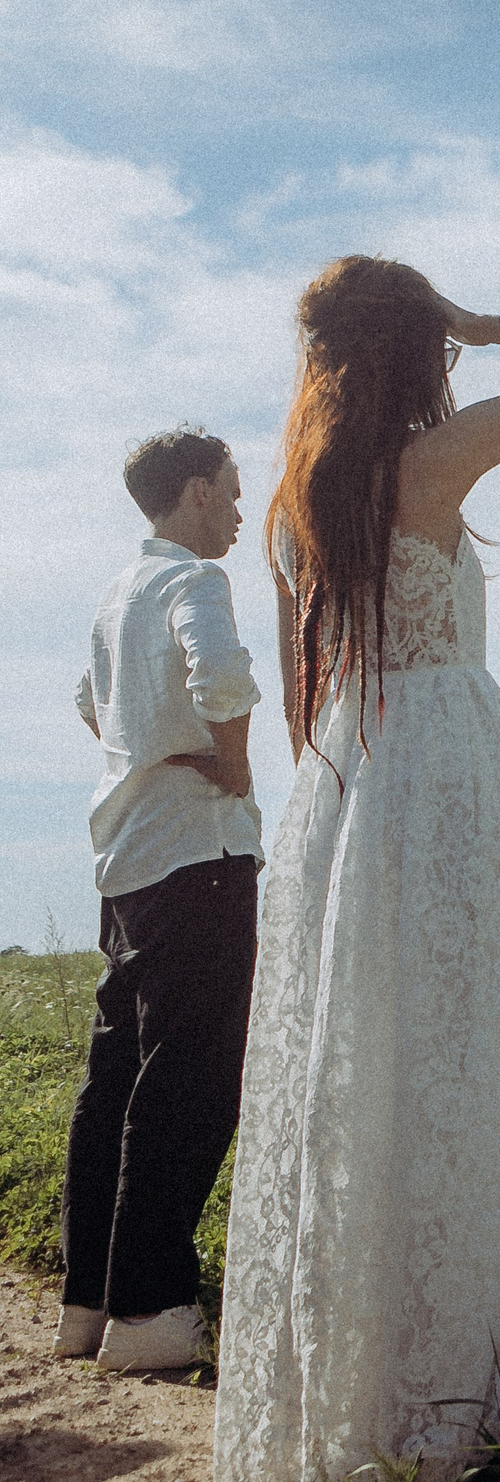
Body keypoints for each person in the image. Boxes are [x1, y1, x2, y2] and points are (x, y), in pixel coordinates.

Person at [211, 257, 500, 1482]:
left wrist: (344, 814)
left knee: (358, 1080)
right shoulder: (431, 465)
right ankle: (444, 1389)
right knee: (457, 1066)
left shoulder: (292, 507)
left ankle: (352, 1382)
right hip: (446, 771)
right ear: (417, 347)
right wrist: (484, 321)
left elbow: (304, 704)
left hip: (345, 785)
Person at [60, 427, 264, 1373]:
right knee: (189, 1078)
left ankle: (89, 1302)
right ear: (195, 491)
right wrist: (233, 760)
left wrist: (138, 755)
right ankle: (152, 1310)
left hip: (127, 866)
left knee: (115, 1077)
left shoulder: (117, 594)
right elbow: (220, 673)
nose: (239, 508)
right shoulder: (195, 580)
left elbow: (87, 701)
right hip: (199, 858)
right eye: (232, 488)